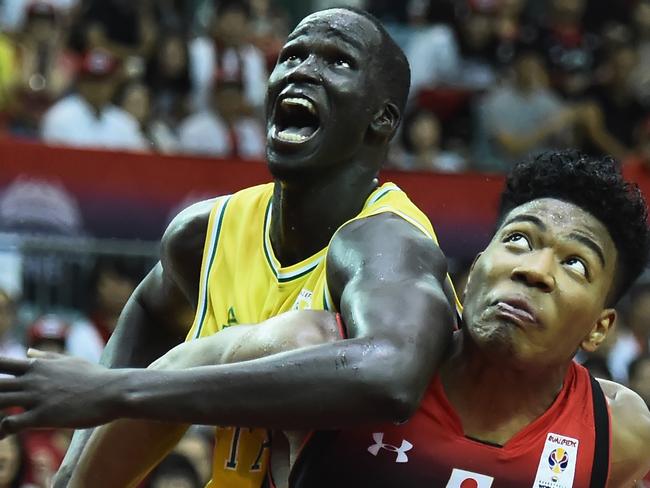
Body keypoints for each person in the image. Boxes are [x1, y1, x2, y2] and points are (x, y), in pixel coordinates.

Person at [2, 151, 649, 487]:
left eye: (574, 265)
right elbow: (177, 380)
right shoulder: (324, 349)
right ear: (473, 268)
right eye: (517, 241)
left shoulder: (614, 432)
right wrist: (106, 392)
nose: (532, 269)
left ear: (601, 328)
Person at [13, 7, 458, 488]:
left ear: (382, 119)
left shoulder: (388, 240)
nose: (303, 70)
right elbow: (151, 312)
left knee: (301, 337)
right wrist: (75, 465)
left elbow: (390, 375)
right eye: (292, 55)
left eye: (338, 62)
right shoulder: (206, 233)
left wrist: (115, 391)